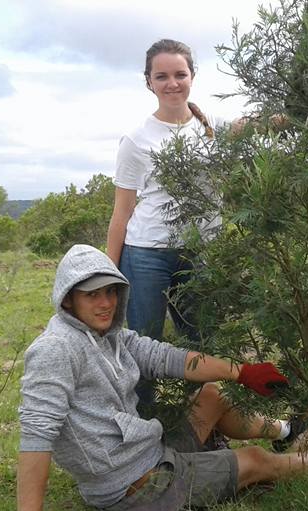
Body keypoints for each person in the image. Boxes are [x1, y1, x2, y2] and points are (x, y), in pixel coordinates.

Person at [16, 244, 308, 511]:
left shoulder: (111, 336)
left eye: (110, 292)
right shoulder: (55, 350)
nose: (105, 303)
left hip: (150, 451)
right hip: (130, 484)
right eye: (92, 294)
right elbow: (36, 432)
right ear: (68, 300)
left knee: (213, 394)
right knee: (254, 460)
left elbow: (169, 358)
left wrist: (242, 372)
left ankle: (285, 430)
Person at [106, 38, 218, 415]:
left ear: (192, 77)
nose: (173, 83)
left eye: (180, 74)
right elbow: (122, 211)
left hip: (201, 253)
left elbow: (264, 126)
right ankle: (144, 429)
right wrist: (109, 271)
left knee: (202, 341)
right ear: (149, 82)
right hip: (146, 253)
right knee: (142, 344)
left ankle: (205, 423)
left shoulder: (212, 130)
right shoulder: (137, 140)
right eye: (162, 76)